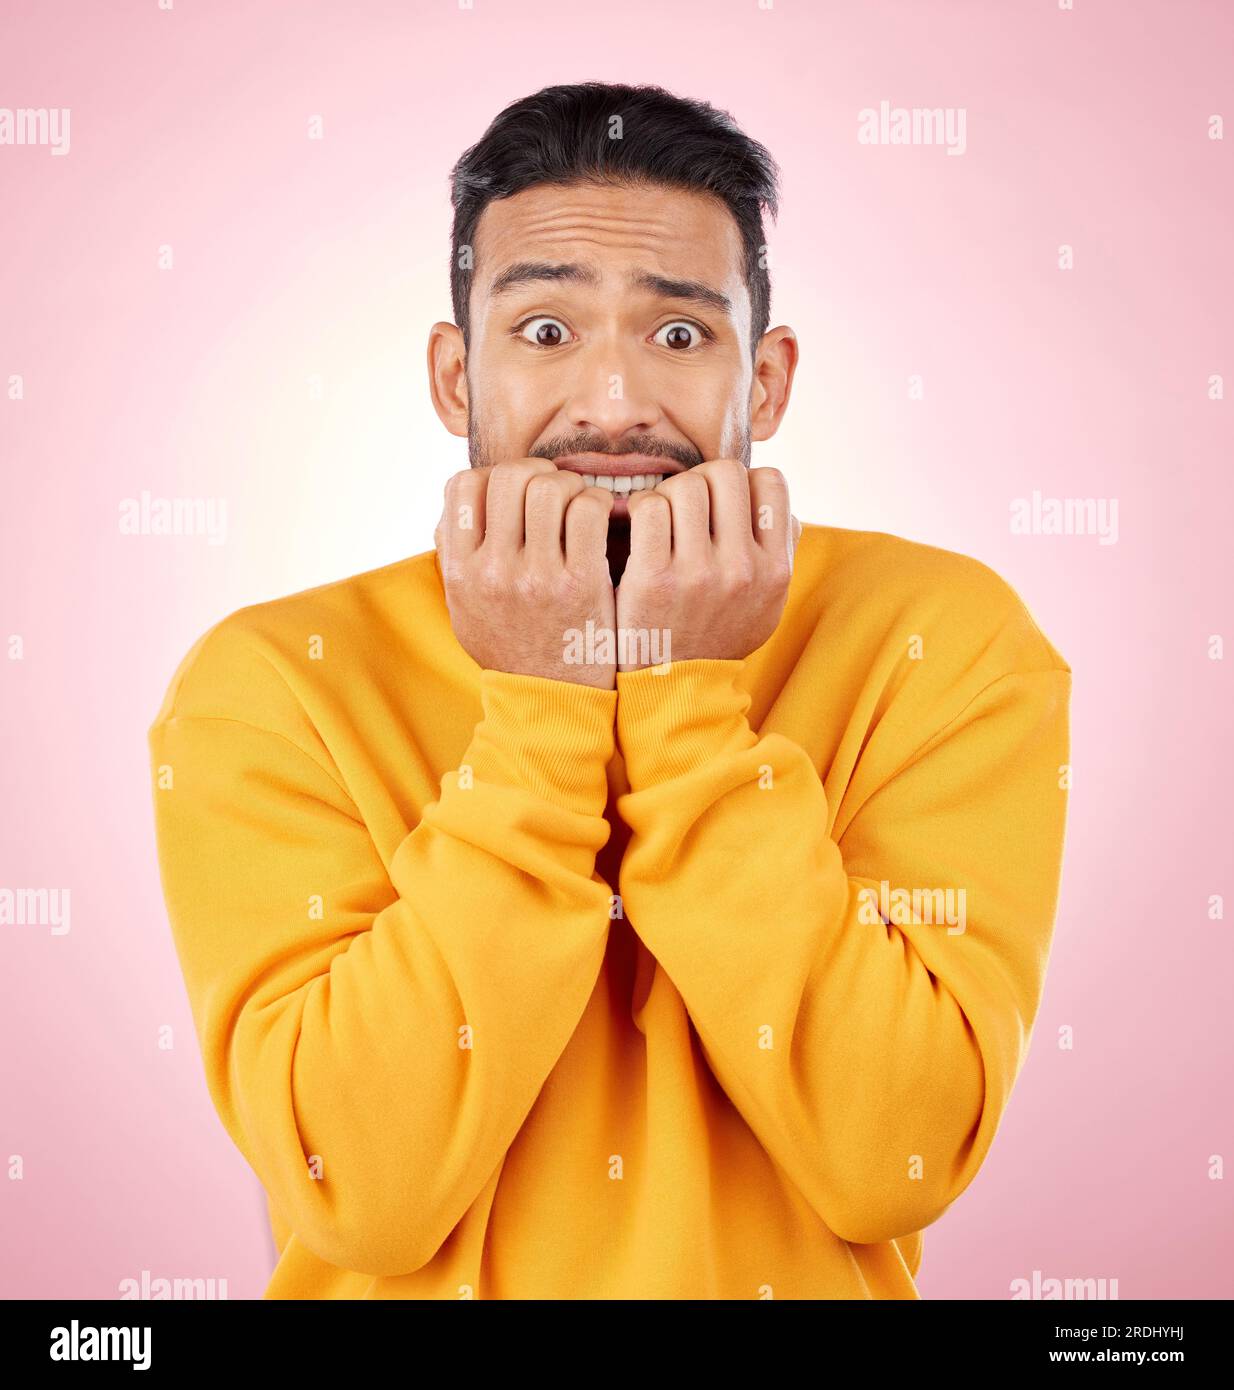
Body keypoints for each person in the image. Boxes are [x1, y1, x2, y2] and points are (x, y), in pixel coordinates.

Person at [149, 81, 1071, 1299]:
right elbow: (358, 1190)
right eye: (542, 332)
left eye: (681, 336)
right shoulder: (271, 683)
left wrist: (687, 699)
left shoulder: (940, 641)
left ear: (769, 381)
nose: (617, 404)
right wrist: (546, 700)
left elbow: (892, 1156)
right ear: (452, 378)